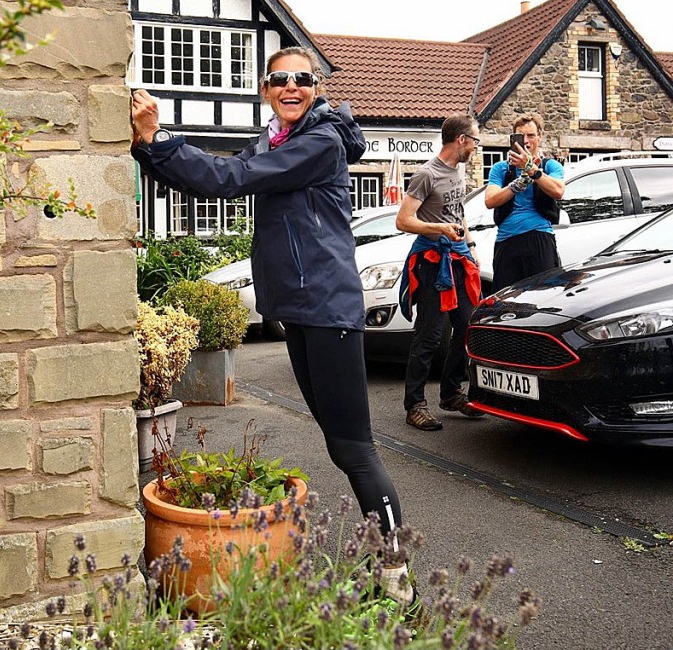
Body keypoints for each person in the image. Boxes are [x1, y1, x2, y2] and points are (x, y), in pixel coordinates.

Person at [130, 46, 417, 607]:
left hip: (329, 308)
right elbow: (218, 169)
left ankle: (399, 580)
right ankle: (385, 565)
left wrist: (157, 139)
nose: (291, 87)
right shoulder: (276, 139)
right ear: (265, 89)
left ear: (317, 88)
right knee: (340, 444)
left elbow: (231, 178)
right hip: (302, 310)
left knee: (355, 446)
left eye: (302, 80)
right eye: (279, 80)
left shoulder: (319, 142)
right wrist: (152, 146)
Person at [396, 114, 484, 432]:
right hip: (431, 260)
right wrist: (438, 228)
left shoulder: (459, 170)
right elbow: (403, 220)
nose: (476, 146)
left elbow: (457, 214)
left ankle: (450, 394)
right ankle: (415, 405)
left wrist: (471, 248)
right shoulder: (426, 174)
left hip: (458, 258)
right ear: (461, 140)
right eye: (475, 140)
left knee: (466, 325)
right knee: (431, 333)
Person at [485, 113, 566, 290]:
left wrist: (532, 170)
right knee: (505, 302)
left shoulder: (550, 165)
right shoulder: (501, 168)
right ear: (513, 139)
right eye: (521, 137)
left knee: (545, 296)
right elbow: (490, 200)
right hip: (507, 240)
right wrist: (516, 185)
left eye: (531, 135)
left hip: (539, 237)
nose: (526, 142)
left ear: (540, 137)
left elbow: (558, 191)